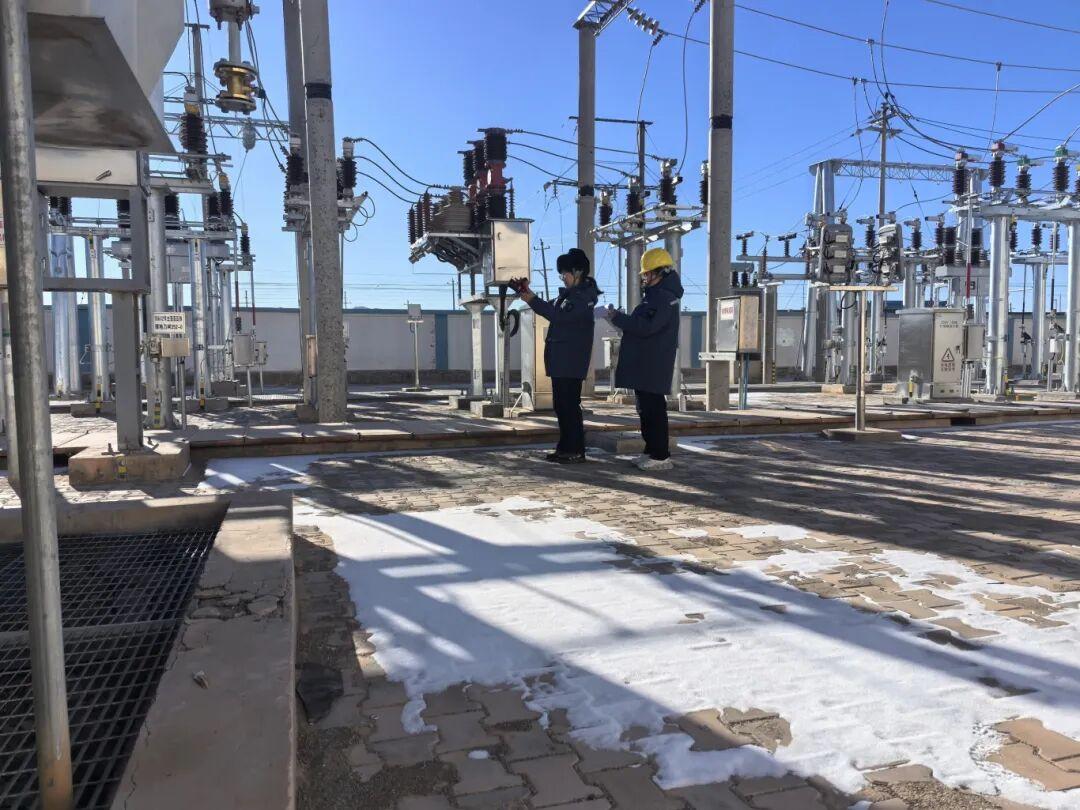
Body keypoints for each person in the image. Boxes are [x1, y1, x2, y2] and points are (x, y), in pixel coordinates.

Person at [510, 248, 600, 464]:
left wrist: (530, 298)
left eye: (564, 274)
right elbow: (548, 307)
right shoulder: (567, 297)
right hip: (561, 362)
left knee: (569, 407)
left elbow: (556, 315)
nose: (563, 278)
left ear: (577, 272)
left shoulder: (582, 299)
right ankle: (565, 448)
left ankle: (575, 450)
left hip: (571, 362)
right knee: (561, 407)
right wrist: (527, 293)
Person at [600, 247, 683, 471]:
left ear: (660, 272)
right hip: (645, 362)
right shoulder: (654, 297)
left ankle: (660, 456)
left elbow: (647, 327)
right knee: (645, 409)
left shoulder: (664, 299)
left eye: (647, 273)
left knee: (653, 410)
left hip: (653, 363)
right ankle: (650, 451)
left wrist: (618, 318)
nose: (644, 278)